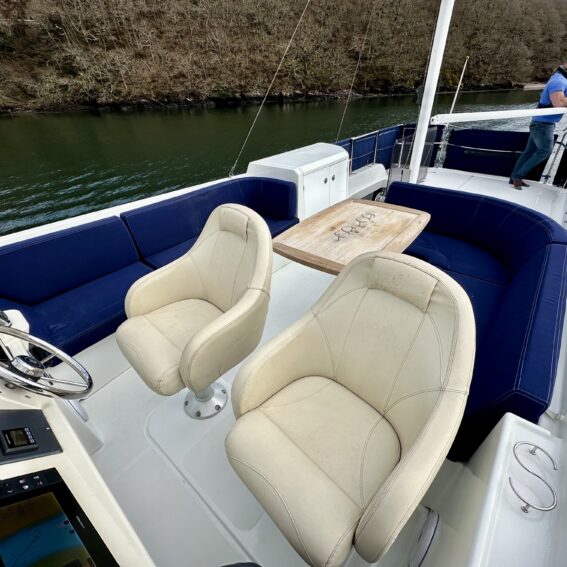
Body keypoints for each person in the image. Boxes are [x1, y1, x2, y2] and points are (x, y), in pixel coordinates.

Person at [510, 62, 567, 189]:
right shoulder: (559, 81)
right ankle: (517, 177)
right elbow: (559, 102)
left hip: (541, 122)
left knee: (528, 152)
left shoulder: (559, 79)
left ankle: (514, 178)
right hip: (543, 124)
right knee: (545, 151)